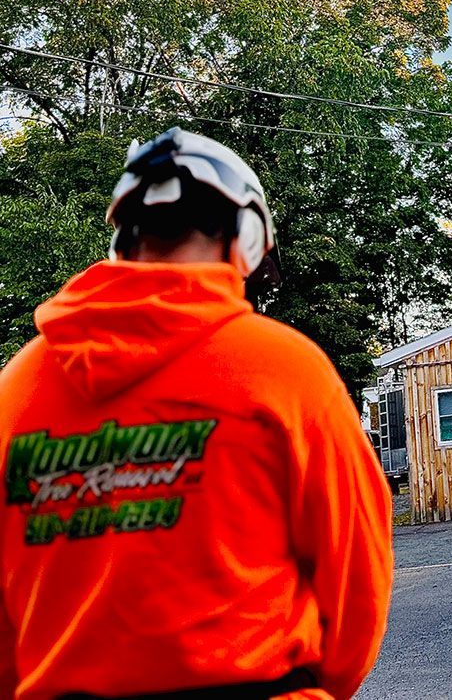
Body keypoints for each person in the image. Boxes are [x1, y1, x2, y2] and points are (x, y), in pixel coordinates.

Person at [0, 128, 393, 700]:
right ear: (249, 239)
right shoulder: (284, 370)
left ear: (123, 241)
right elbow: (358, 575)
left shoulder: (15, 390)